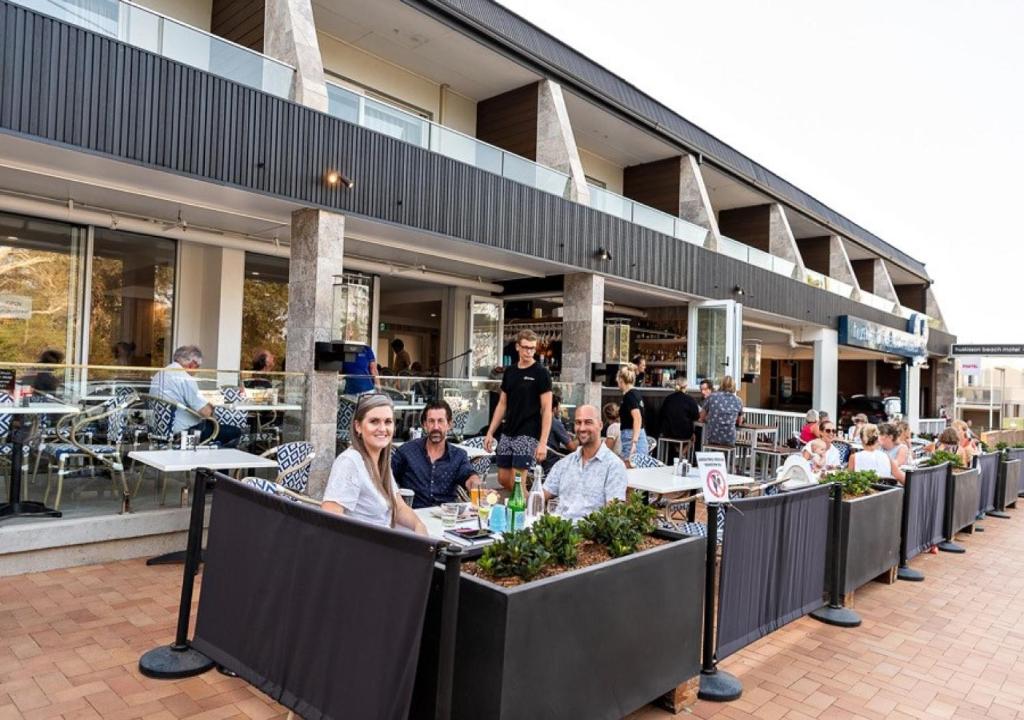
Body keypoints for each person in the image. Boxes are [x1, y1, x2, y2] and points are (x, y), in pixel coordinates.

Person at [322, 394, 428, 533]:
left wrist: (418, 525)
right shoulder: (350, 462)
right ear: (358, 426)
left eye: (388, 421)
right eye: (374, 421)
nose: (382, 428)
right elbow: (330, 520)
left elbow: (399, 508)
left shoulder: (380, 461)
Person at [484, 330, 553, 490]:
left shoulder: (541, 373)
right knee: (503, 479)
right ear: (517, 347)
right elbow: (502, 403)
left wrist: (543, 442)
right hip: (508, 430)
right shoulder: (510, 371)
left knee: (517, 482)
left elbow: (547, 409)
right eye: (526, 347)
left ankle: (521, 511)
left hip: (528, 432)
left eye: (532, 348)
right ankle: (530, 503)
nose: (529, 351)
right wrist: (490, 431)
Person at [391, 400, 481, 509]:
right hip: (413, 516)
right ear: (424, 425)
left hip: (447, 518)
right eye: (431, 421)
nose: (436, 427)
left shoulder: (458, 456)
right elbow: (387, 477)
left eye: (440, 421)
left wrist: (476, 485)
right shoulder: (406, 452)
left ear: (449, 424)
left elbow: (469, 477)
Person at [544, 404, 627, 520]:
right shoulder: (564, 464)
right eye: (578, 422)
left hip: (589, 535)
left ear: (600, 425)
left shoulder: (614, 466)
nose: (582, 428)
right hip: (557, 530)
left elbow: (613, 515)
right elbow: (539, 495)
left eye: (588, 422)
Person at [149, 345, 241, 447]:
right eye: (197, 368)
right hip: (184, 433)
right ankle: (211, 461)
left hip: (160, 431)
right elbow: (205, 412)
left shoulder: (160, 374)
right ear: (192, 364)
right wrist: (211, 405)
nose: (196, 372)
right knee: (234, 432)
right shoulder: (184, 377)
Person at [617, 363, 648, 463]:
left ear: (621, 380)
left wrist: (634, 442)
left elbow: (637, 418)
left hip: (632, 436)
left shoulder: (629, 396)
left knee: (629, 469)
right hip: (637, 435)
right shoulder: (636, 393)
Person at [700, 375, 744, 447]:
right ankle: (728, 458)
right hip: (729, 438)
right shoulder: (738, 400)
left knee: (714, 452)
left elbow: (701, 417)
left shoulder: (712, 397)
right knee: (728, 454)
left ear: (721, 385)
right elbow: (740, 422)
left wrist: (709, 418)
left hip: (713, 437)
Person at [543, 393, 578, 472]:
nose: (560, 409)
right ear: (554, 408)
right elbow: (572, 447)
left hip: (538, 464)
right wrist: (578, 438)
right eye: (559, 406)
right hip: (551, 465)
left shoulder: (537, 421)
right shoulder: (554, 422)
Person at [659, 379, 700, 444]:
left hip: (667, 432)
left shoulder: (668, 398)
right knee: (694, 437)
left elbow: (661, 414)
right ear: (686, 387)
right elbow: (696, 416)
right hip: (684, 433)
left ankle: (677, 451)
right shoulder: (690, 400)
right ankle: (681, 453)